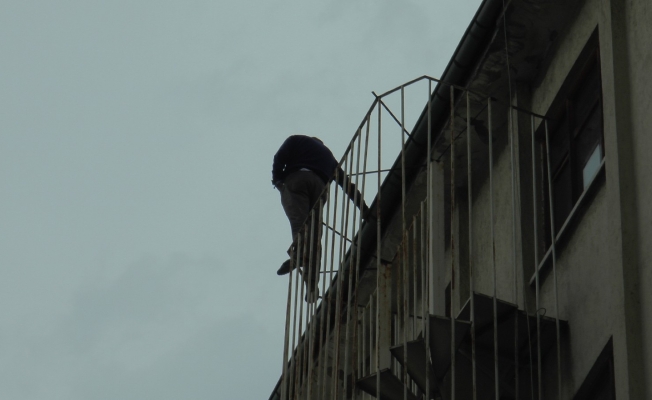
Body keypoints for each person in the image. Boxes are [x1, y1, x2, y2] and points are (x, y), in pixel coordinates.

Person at [272, 135, 370, 302]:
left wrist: (278, 180)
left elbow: (279, 157)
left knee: (299, 223)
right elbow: (347, 185)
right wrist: (364, 209)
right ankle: (312, 285)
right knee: (315, 236)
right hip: (319, 187)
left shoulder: (297, 140)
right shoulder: (328, 156)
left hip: (296, 180)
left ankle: (299, 254)